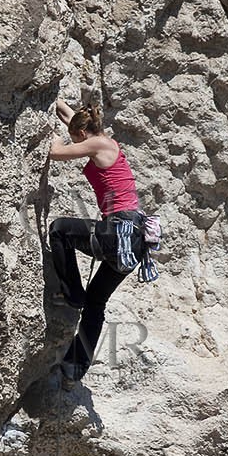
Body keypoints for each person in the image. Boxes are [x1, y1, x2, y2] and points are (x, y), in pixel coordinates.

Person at [47, 97, 144, 382]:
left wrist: (53, 137)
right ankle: (73, 370)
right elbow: (70, 117)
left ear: (81, 134)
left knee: (59, 230)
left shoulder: (98, 144)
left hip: (119, 231)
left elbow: (55, 152)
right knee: (96, 303)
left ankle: (72, 293)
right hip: (135, 241)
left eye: (75, 136)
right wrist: (54, 99)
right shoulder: (102, 141)